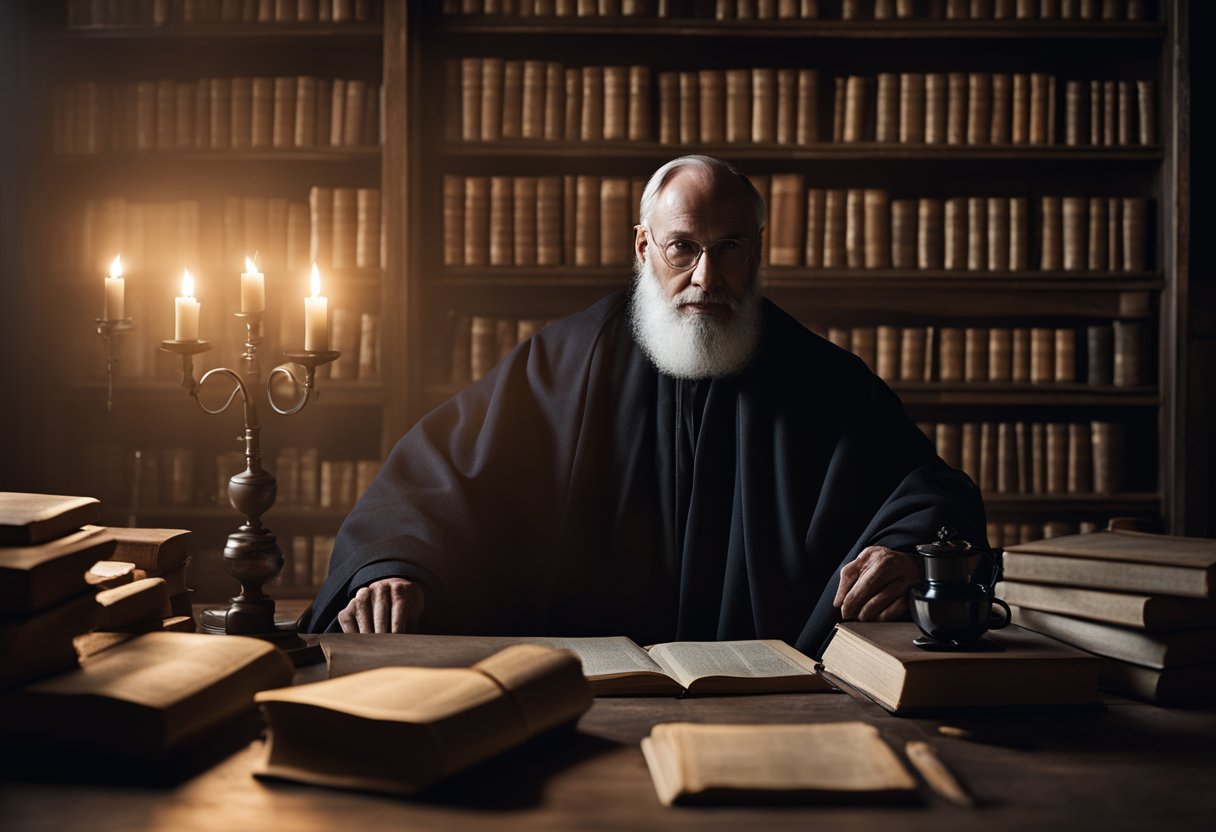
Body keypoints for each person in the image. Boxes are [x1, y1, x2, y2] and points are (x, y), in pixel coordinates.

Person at [301, 155, 987, 655]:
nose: (706, 277)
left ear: (757, 251)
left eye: (729, 250)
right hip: (578, 698)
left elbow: (928, 492)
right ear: (642, 248)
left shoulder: (820, 376)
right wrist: (394, 568)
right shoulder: (563, 362)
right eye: (682, 249)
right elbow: (435, 481)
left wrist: (905, 552)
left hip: (778, 699)